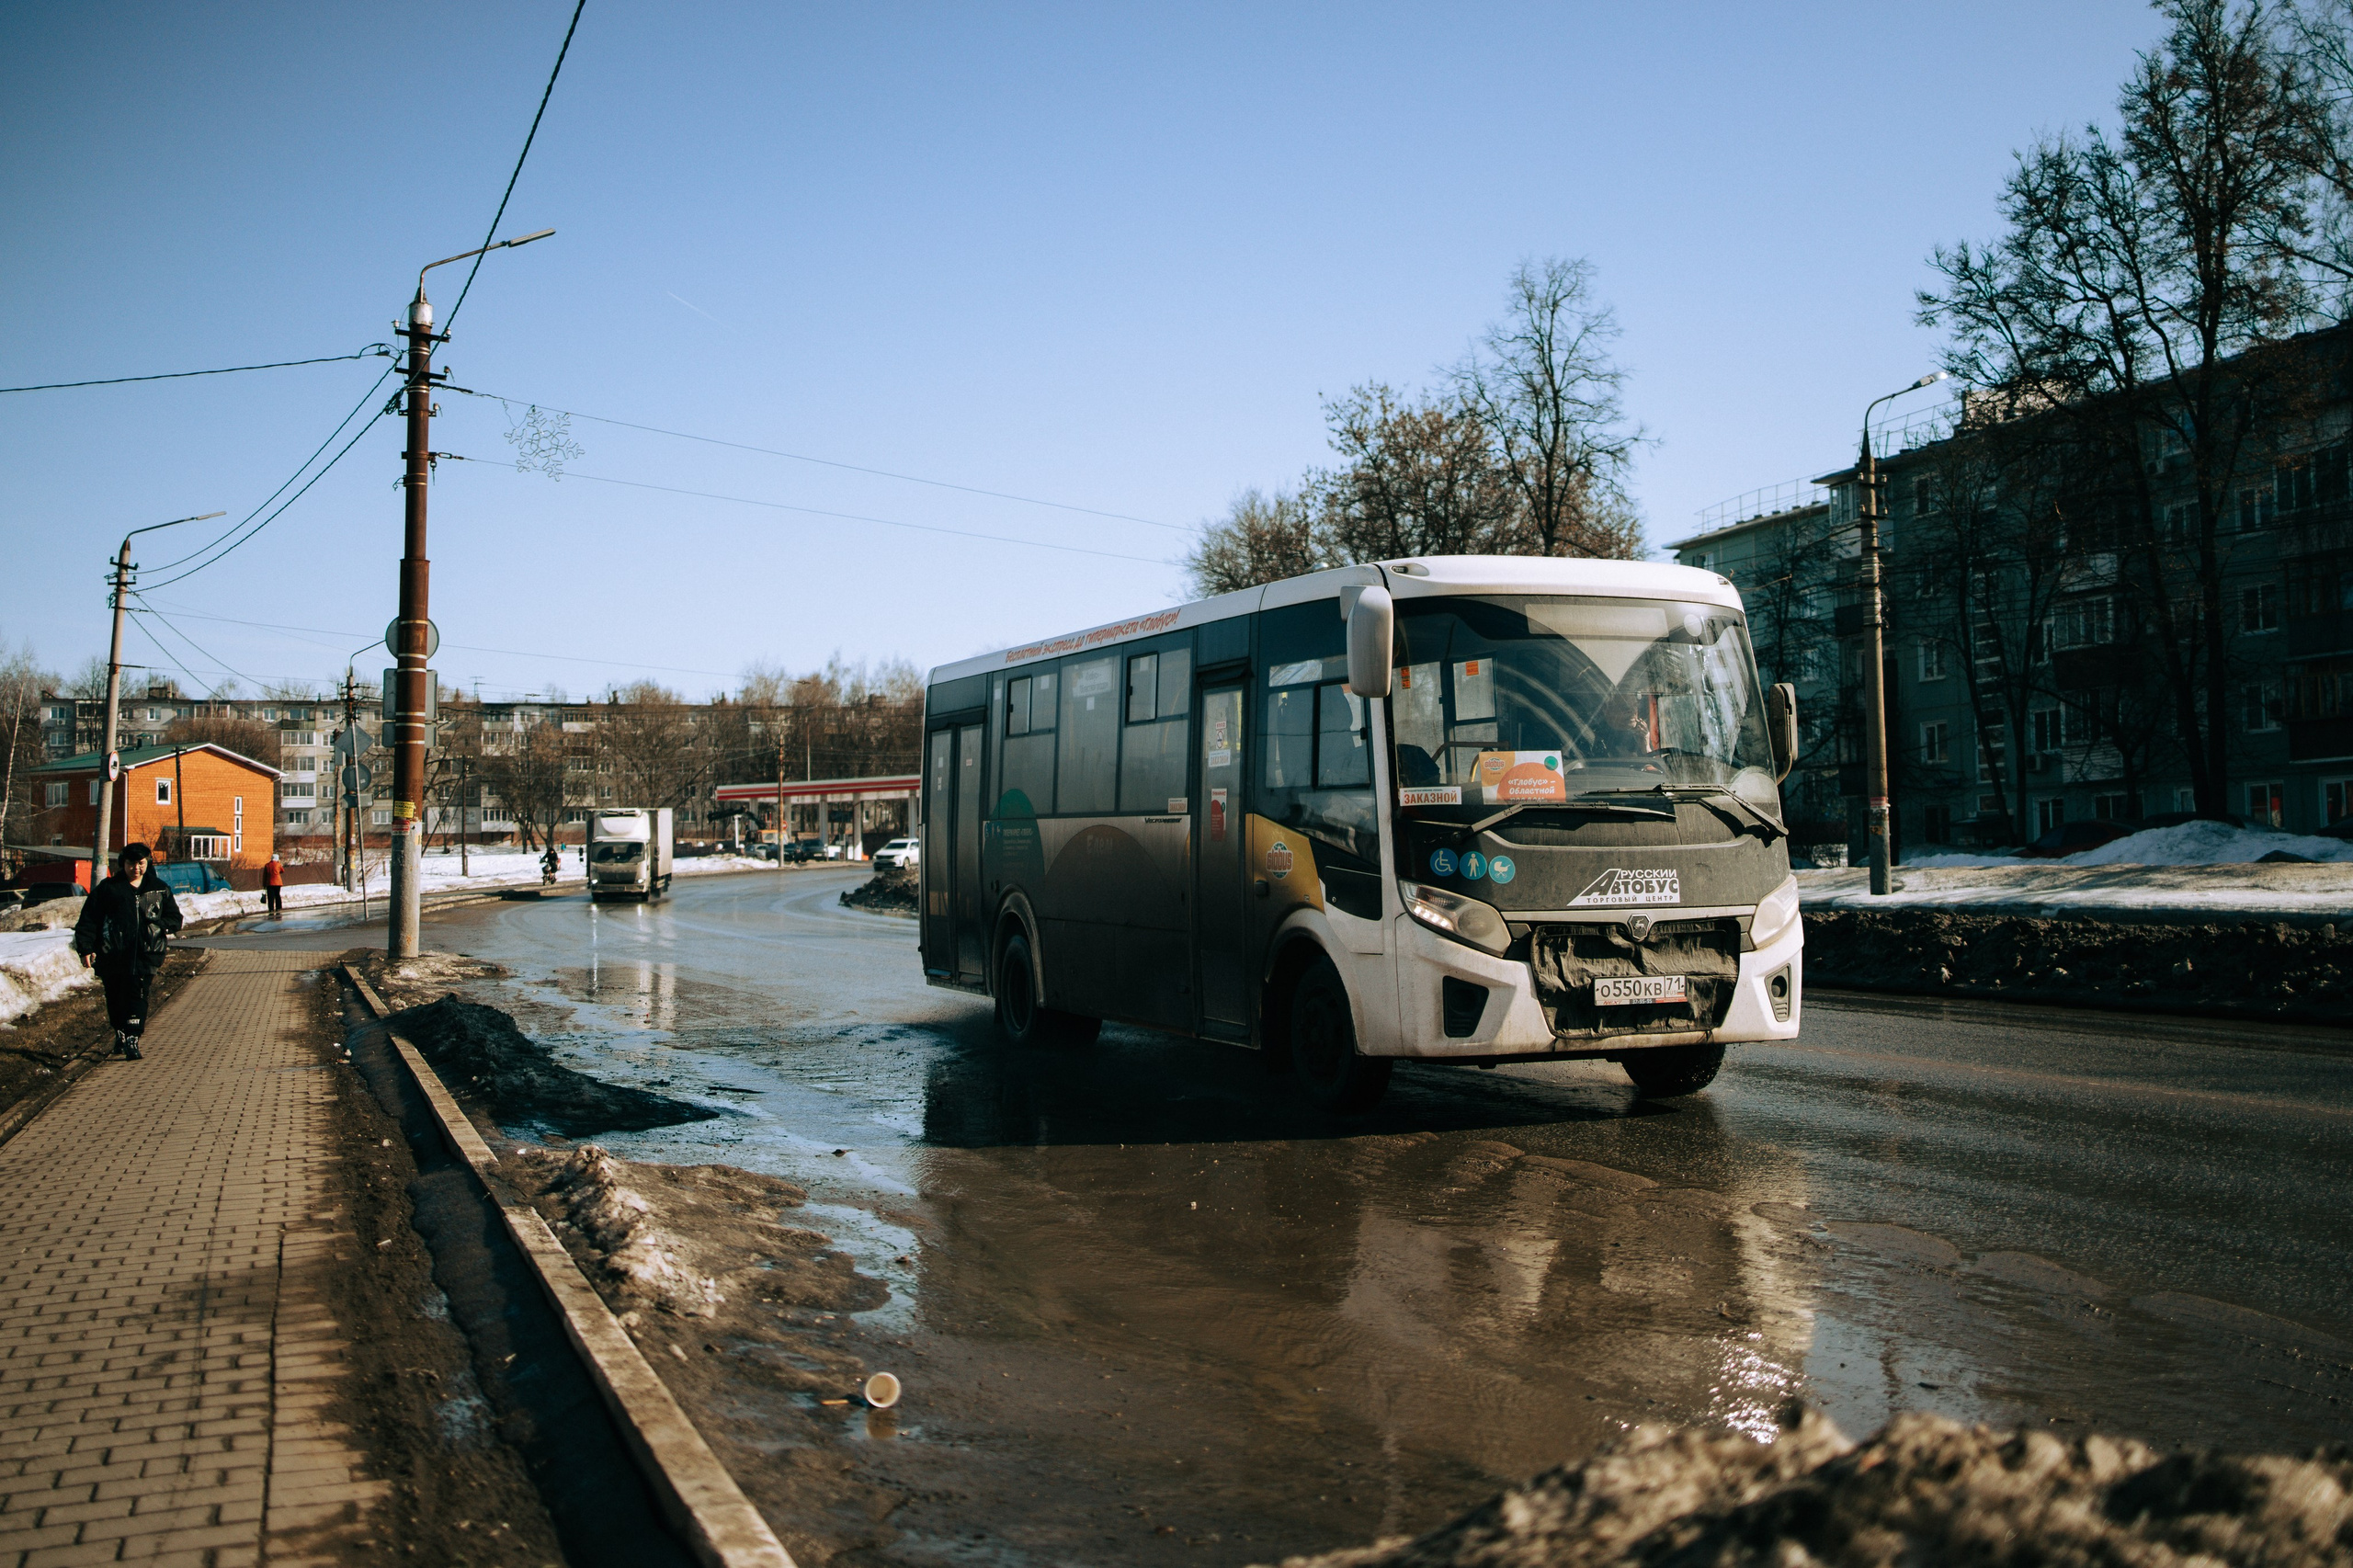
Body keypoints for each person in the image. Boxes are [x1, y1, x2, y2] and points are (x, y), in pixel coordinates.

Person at [72, 843, 183, 1061]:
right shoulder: (108, 889)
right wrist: (85, 948)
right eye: (131, 864)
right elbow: (88, 921)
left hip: (147, 953)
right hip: (112, 954)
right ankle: (120, 1032)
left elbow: (175, 918)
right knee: (115, 996)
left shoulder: (159, 889)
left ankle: (133, 1038)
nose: (136, 868)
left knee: (138, 994)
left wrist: (159, 925)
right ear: (123, 863)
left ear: (147, 863)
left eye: (141, 863)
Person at [263, 852, 285, 916]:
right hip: (278, 883)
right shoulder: (278, 864)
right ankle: (278, 907)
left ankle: (271, 908)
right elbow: (282, 871)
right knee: (277, 895)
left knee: (270, 897)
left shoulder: (267, 865)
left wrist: (264, 884)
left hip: (269, 883)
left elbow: (265, 875)